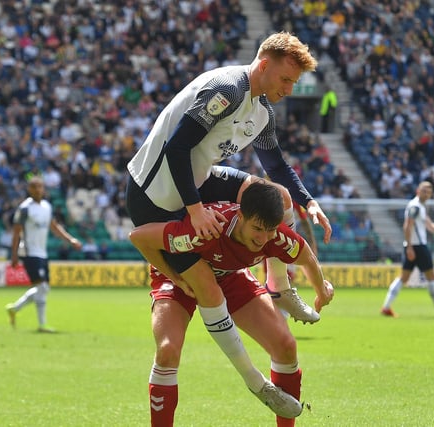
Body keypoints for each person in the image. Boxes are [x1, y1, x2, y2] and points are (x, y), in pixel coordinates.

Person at [126, 31, 332, 415]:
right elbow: (177, 147)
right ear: (264, 65)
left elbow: (275, 166)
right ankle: (256, 382)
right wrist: (194, 209)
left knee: (279, 198)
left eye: (295, 83)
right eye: (286, 79)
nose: (289, 89)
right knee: (203, 282)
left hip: (196, 182)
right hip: (154, 198)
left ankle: (280, 288)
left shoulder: (262, 111)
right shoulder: (228, 88)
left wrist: (309, 202)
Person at [129, 182, 334, 426]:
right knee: (167, 351)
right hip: (179, 278)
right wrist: (172, 275)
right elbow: (138, 236)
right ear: (240, 215)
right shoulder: (205, 229)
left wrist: (321, 290)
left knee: (286, 345)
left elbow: (307, 256)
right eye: (257, 228)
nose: (262, 238)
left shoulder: (274, 236)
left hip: (230, 275)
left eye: (269, 230)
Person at [5, 176, 82, 332]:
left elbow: (54, 227)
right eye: (35, 187)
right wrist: (13, 255)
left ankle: (15, 308)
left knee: (44, 288)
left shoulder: (47, 206)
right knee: (41, 286)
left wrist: (70, 240)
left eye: (40, 187)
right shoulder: (25, 208)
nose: (38, 190)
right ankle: (42, 324)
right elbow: (16, 232)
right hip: (28, 252)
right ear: (29, 189)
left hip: (42, 253)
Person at [381, 181, 434, 318]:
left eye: (429, 192)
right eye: (424, 191)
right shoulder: (415, 206)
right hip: (418, 247)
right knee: (431, 277)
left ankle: (386, 307)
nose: (426, 194)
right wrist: (410, 247)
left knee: (404, 277)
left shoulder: (420, 207)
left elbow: (430, 226)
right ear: (418, 191)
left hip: (412, 246)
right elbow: (407, 226)